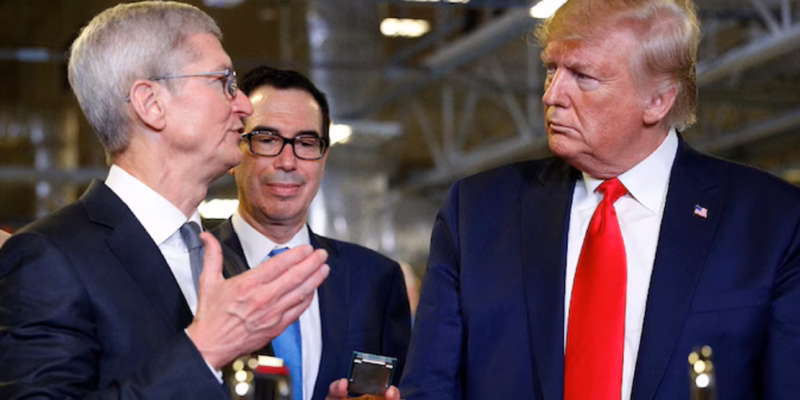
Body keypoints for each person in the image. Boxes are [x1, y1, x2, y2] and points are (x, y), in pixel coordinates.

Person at [398, 0, 800, 399]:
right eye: (551, 69)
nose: (552, 95)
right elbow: (429, 390)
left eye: (582, 76)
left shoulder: (773, 222)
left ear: (657, 100)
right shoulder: (475, 214)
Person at [0, 2, 329, 399]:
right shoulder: (48, 259)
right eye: (224, 81)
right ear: (151, 103)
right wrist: (203, 350)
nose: (243, 104)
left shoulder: (226, 262)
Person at [212, 65, 411, 400]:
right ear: (235, 150)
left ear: (323, 158)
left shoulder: (376, 280)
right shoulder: (189, 265)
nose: (288, 162)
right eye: (267, 140)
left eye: (306, 143)